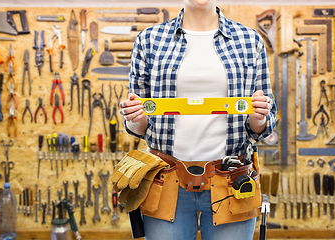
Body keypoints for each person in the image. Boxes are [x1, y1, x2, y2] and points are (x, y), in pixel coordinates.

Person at [117, 0, 277, 239]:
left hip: (231, 182)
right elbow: (140, 127)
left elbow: (262, 126)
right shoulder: (148, 40)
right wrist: (134, 116)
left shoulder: (249, 40)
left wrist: (259, 116)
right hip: (166, 181)